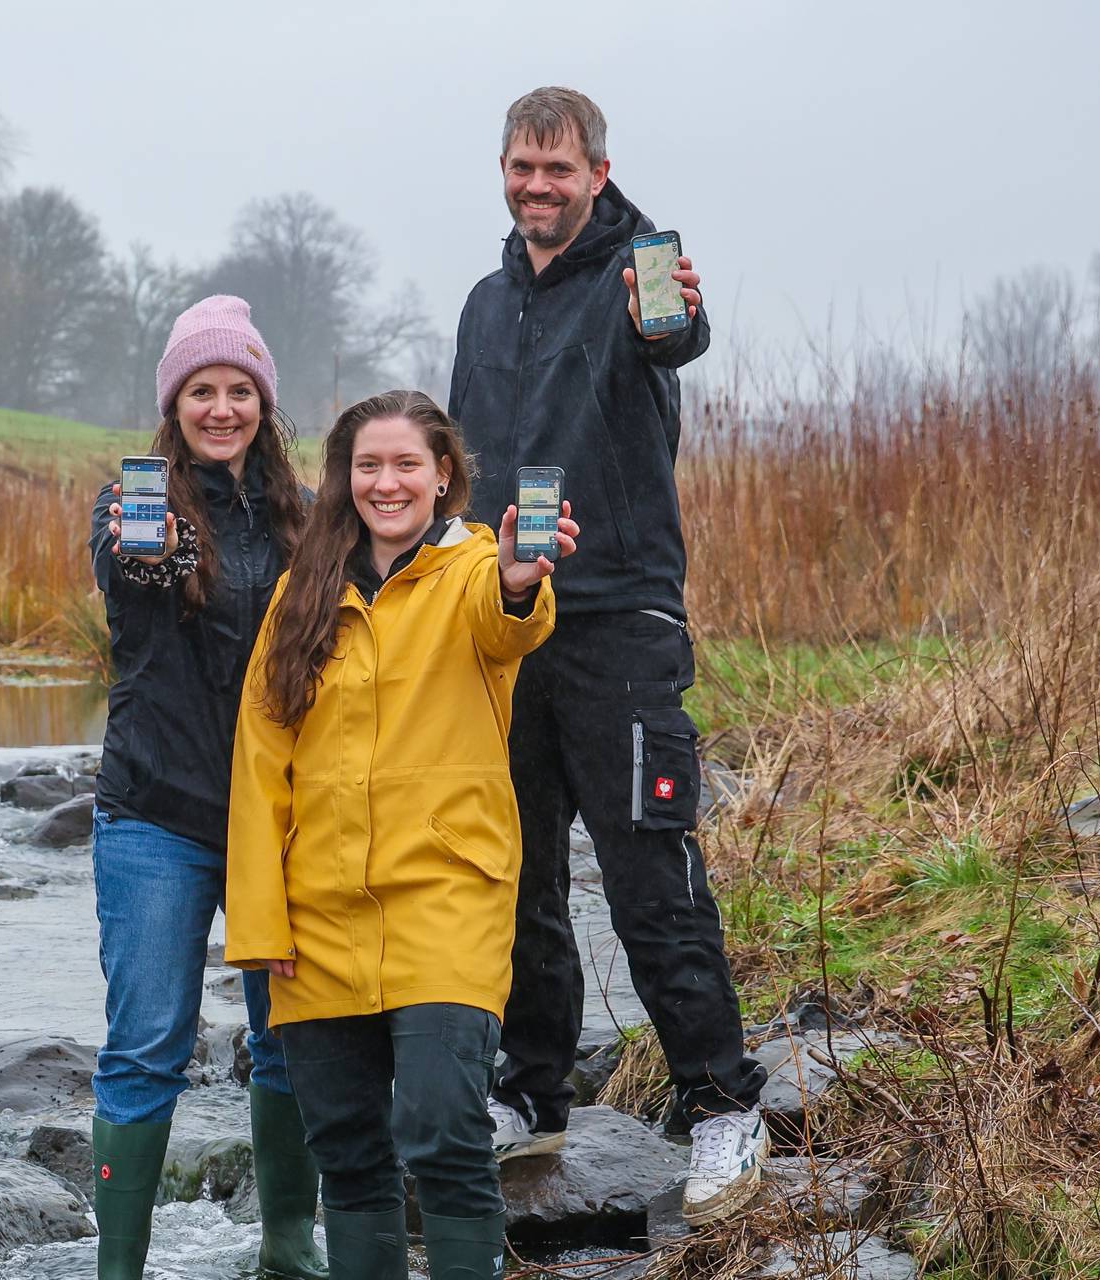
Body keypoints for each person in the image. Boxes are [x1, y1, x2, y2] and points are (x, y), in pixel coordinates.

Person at [446, 85, 771, 1224]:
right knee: (519, 873)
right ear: (503, 170)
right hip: (504, 624)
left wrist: (673, 308)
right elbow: (457, 467)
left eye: (558, 169)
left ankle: (725, 1103)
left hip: (622, 625)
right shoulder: (486, 305)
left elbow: (680, 333)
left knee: (648, 875)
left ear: (597, 170)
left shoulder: (640, 275)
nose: (538, 186)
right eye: (521, 168)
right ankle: (530, 1095)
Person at [227, 388, 574, 1280]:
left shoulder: (472, 574)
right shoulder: (297, 596)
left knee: (442, 1130)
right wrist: (261, 926)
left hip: (446, 901)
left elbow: (508, 626)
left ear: (444, 475)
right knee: (345, 1152)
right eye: (368, 465)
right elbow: (261, 770)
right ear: (345, 478)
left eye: (407, 464)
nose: (387, 483)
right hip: (317, 919)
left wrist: (520, 578)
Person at [84, 295, 327, 1280]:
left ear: (263, 406)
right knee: (146, 1044)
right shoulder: (126, 510)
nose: (221, 408)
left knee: (290, 1040)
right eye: (202, 390)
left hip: (278, 822)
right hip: (156, 813)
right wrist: (160, 550)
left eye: (239, 390)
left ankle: (286, 1246)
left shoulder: (305, 521)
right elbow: (130, 570)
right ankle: (119, 1267)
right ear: (174, 403)